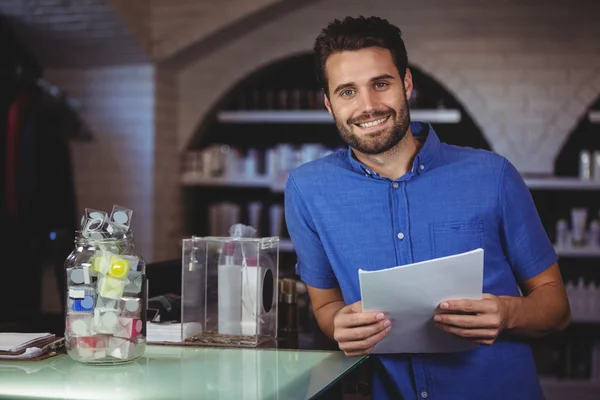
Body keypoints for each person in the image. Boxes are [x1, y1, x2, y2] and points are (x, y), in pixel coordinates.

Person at [284, 16, 571, 400]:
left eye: (380, 84)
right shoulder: (307, 189)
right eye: (347, 92)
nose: (367, 106)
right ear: (328, 102)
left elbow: (557, 308)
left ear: (406, 83)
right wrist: (338, 324)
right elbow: (326, 306)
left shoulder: (493, 175)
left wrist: (508, 313)